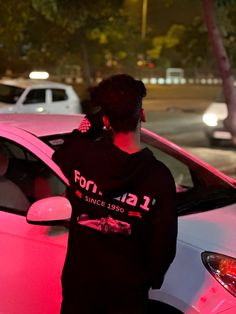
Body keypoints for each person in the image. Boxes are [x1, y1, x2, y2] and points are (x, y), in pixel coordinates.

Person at [52, 74, 177, 314]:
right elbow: (164, 245)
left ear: (106, 119)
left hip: (80, 286)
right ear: (142, 115)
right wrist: (150, 279)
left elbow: (68, 146)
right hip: (127, 294)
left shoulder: (82, 157)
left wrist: (100, 117)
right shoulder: (158, 177)